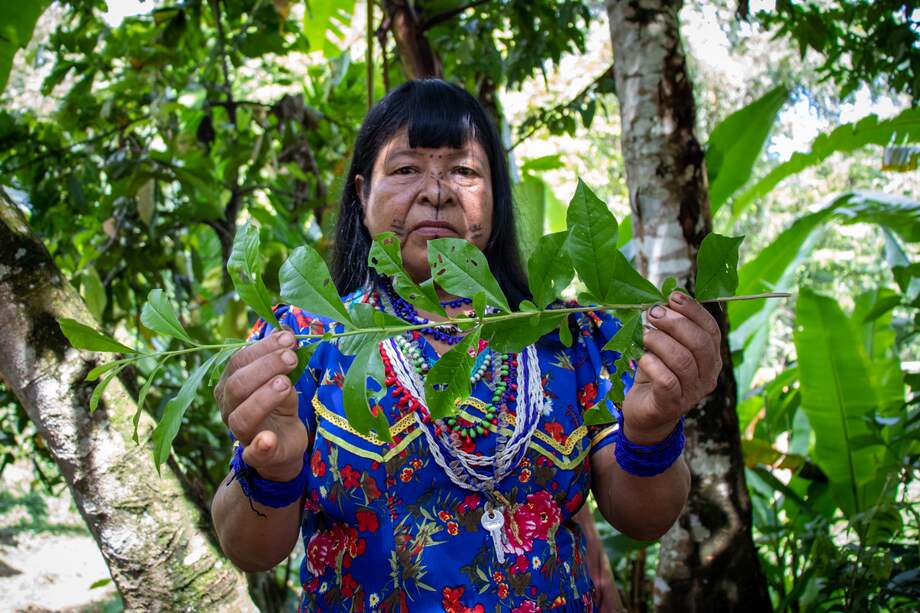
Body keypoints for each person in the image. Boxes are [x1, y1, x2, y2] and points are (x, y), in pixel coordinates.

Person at [211, 79, 721, 612]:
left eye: (464, 171)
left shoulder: (571, 334)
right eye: (406, 169)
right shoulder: (306, 340)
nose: (436, 191)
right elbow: (249, 549)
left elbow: (644, 517)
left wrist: (652, 431)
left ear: (496, 198)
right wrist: (270, 468)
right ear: (362, 195)